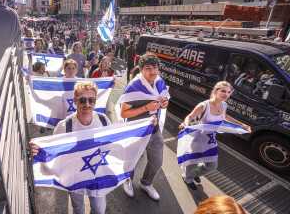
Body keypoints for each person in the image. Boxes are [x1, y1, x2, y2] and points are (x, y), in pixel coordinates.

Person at [30, 81, 111, 214]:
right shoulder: (64, 126)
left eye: (91, 100)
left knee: (99, 209)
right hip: (74, 176)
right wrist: (38, 150)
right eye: (82, 100)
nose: (87, 104)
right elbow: (52, 151)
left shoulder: (104, 120)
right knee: (78, 208)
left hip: (97, 173)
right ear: (75, 100)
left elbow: (113, 144)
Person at [179, 81, 251, 190]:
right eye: (223, 91)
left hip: (210, 141)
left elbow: (225, 117)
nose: (226, 94)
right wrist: (185, 124)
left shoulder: (224, 105)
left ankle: (195, 174)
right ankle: (187, 178)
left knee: (212, 166)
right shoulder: (204, 105)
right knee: (192, 163)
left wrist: (242, 125)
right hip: (198, 140)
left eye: (228, 92)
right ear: (215, 91)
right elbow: (190, 116)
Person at [120, 54, 169, 201]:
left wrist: (165, 103)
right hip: (136, 130)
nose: (153, 71)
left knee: (157, 161)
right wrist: (146, 107)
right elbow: (124, 112)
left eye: (155, 68)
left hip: (154, 129)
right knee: (132, 159)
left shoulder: (160, 81)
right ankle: (127, 180)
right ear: (141, 70)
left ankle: (146, 183)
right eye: (148, 68)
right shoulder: (133, 87)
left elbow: (164, 98)